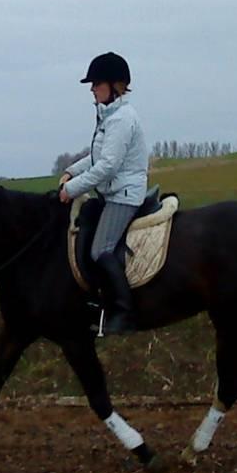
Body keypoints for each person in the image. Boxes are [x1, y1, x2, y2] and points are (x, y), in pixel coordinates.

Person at [58, 52, 149, 334]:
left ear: (115, 86)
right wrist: (72, 171)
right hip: (111, 191)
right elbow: (98, 157)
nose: (92, 89)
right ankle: (95, 301)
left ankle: (124, 313)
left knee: (101, 250)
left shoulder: (122, 119)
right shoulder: (108, 117)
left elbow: (108, 167)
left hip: (124, 194)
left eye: (97, 83)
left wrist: (71, 190)